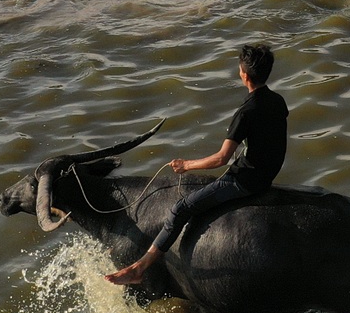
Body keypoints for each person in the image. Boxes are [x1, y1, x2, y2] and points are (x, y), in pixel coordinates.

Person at [104, 43, 288, 286]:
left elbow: (221, 158)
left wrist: (186, 165)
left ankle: (140, 268)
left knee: (180, 208)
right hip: (268, 174)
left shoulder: (245, 112)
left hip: (246, 181)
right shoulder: (278, 101)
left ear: (243, 74)